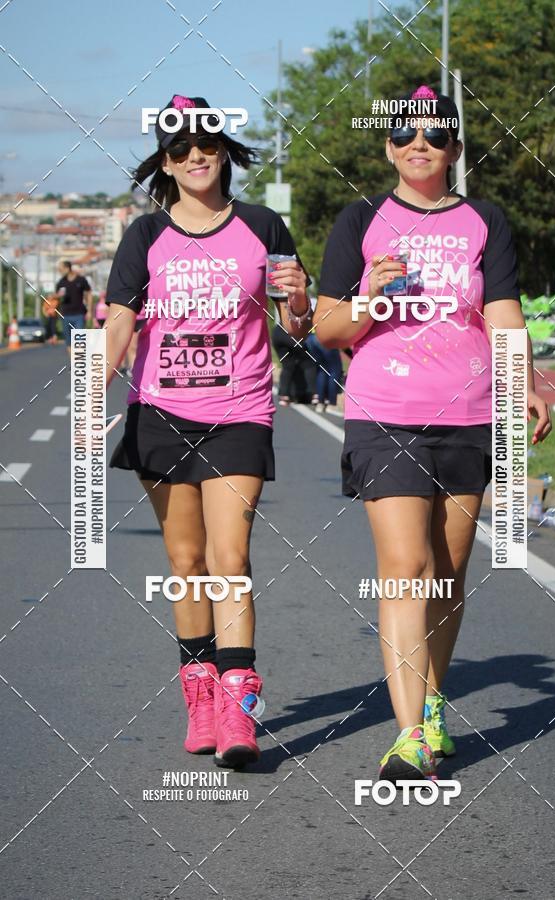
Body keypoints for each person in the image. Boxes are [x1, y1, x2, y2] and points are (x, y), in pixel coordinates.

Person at [315, 85, 551, 782]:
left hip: (470, 411)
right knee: (406, 570)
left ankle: (434, 703)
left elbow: (503, 313)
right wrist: (366, 298)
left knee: (447, 577)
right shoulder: (360, 219)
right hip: (385, 410)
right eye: (408, 134)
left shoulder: (485, 220)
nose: (422, 144)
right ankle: (409, 735)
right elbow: (328, 328)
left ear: (454, 148)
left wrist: (525, 382)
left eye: (437, 135)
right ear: (389, 146)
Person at [104, 94, 311, 769]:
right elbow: (119, 324)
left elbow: (297, 326)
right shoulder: (144, 236)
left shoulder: (262, 225)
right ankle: (199, 698)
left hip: (241, 412)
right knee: (186, 563)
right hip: (158, 414)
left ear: (223, 151)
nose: (195, 156)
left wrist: (301, 298)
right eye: (180, 148)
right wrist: (90, 392)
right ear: (165, 162)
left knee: (230, 557)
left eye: (206, 143)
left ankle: (240, 710)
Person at [56, 260, 92, 354]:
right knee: (69, 342)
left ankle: (79, 364)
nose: (59, 271)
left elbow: (89, 293)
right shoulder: (61, 282)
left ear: (68, 268)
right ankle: (74, 364)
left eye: (61, 269)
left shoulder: (81, 280)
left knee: (79, 341)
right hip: (65, 315)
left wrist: (89, 310)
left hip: (79, 314)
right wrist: (57, 296)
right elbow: (56, 296)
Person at [305, 332, 343, 413]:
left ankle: (320, 403)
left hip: (311, 337)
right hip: (326, 336)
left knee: (322, 370)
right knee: (334, 369)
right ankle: (331, 404)